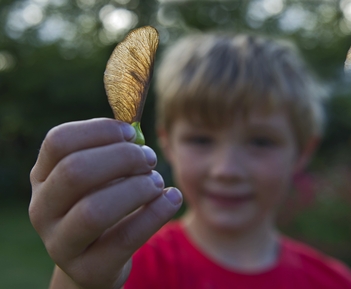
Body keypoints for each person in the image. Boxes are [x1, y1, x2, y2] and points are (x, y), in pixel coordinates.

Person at [29, 31, 351, 289]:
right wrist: (78, 281)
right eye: (201, 140)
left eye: (260, 142)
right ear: (167, 143)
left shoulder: (334, 281)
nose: (226, 170)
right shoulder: (128, 266)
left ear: (302, 152)